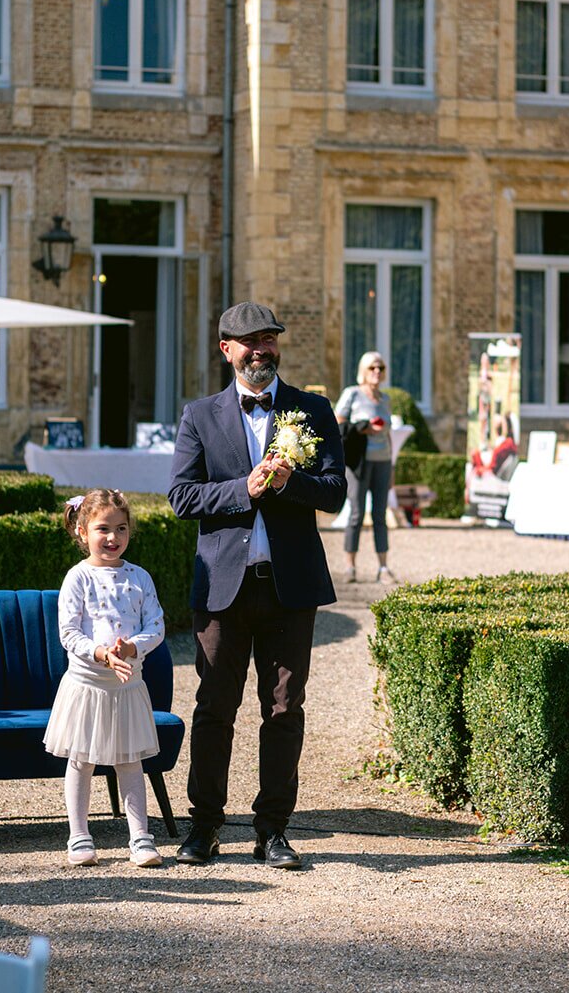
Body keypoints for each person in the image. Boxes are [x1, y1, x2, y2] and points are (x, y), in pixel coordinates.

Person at [167, 300, 345, 870]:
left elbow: (336, 492)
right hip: (223, 588)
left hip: (290, 587)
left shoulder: (312, 410)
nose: (262, 349)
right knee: (215, 708)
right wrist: (244, 488)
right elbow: (182, 497)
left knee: (284, 710)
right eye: (250, 341)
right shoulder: (199, 415)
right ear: (227, 349)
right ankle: (204, 827)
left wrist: (291, 483)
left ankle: (273, 830)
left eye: (270, 338)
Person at [44, 488, 167, 870]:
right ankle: (79, 835)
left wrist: (130, 648)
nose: (113, 538)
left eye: (121, 528)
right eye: (102, 529)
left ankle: (140, 837)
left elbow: (157, 626)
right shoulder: (77, 578)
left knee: (129, 762)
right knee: (81, 761)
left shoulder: (140, 577)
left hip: (127, 685)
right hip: (87, 685)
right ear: (82, 532)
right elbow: (69, 632)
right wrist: (102, 654)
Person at [335, 350, 397, 584]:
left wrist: (392, 466)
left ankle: (383, 567)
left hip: (382, 461)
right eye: (372, 367)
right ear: (363, 370)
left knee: (380, 515)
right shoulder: (352, 394)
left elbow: (389, 435)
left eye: (381, 368)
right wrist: (363, 427)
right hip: (358, 463)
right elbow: (338, 423)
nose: (377, 372)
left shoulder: (386, 400)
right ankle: (350, 566)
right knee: (357, 514)